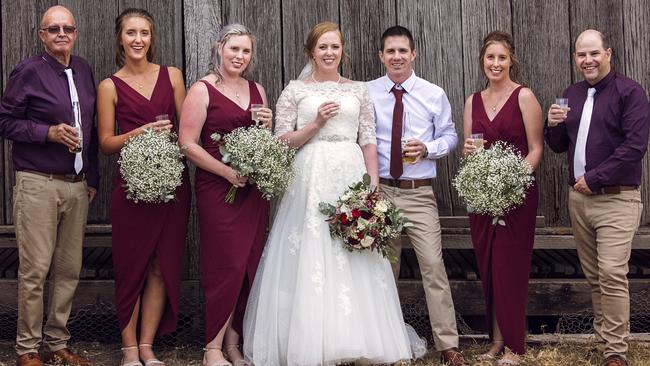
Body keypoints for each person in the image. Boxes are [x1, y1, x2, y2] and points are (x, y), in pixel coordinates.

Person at [243, 21, 425, 366]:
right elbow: (281, 142)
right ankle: (311, 340)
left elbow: (368, 140)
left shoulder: (357, 90)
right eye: (322, 47)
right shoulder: (295, 90)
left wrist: (372, 188)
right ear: (312, 51)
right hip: (310, 177)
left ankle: (359, 338)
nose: (329, 53)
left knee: (354, 249)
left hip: (350, 172)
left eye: (335, 47)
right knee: (313, 250)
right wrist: (315, 125)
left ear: (343, 51)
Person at [0, 5, 98, 366]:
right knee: (36, 269)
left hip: (77, 185)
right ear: (42, 35)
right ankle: (28, 348)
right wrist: (48, 133)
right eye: (53, 28)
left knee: (69, 269)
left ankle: (58, 343)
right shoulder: (28, 71)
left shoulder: (84, 68)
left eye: (67, 28)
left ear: (75, 33)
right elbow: (5, 122)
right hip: (38, 183)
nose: (61, 34)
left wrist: (93, 178)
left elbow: (91, 126)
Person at [546, 29, 649, 366]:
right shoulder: (571, 94)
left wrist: (594, 177)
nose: (587, 60)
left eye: (593, 54)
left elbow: (634, 148)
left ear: (608, 53)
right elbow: (560, 146)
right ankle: (606, 341)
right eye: (581, 55)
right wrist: (553, 125)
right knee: (594, 277)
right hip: (580, 201)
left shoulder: (630, 92)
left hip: (617, 200)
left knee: (611, 273)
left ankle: (617, 353)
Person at [96, 8, 191, 366]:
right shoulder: (109, 85)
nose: (138, 40)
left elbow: (186, 133)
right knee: (132, 265)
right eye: (131, 33)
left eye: (144, 33)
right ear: (120, 38)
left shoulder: (173, 76)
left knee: (160, 266)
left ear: (152, 38)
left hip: (171, 186)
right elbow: (105, 142)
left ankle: (148, 346)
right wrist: (139, 134)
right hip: (132, 188)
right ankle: (128, 349)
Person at [366, 26, 466, 366]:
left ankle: (448, 344)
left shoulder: (433, 93)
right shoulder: (367, 92)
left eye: (402, 51)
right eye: (390, 51)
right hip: (381, 193)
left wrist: (428, 148)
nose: (396, 57)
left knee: (433, 266)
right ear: (381, 56)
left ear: (414, 54)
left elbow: (450, 136)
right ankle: (387, 342)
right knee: (384, 269)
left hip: (418, 192)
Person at [178, 23, 272, 366]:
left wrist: (267, 128)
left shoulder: (257, 89)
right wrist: (226, 172)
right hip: (218, 188)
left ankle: (233, 344)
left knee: (249, 264)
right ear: (219, 48)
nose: (239, 56)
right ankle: (211, 348)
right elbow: (187, 144)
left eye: (245, 51)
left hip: (251, 191)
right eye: (234, 49)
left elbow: (264, 143)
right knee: (226, 265)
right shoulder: (202, 90)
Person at [461, 31, 543, 365]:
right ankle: (495, 342)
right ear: (483, 61)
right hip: (482, 196)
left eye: (502, 58)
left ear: (511, 61)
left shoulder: (524, 97)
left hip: (516, 196)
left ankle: (515, 346)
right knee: (489, 268)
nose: (496, 64)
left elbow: (536, 149)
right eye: (490, 57)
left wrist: (511, 182)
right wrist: (470, 156)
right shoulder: (472, 101)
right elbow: (471, 153)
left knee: (510, 267)